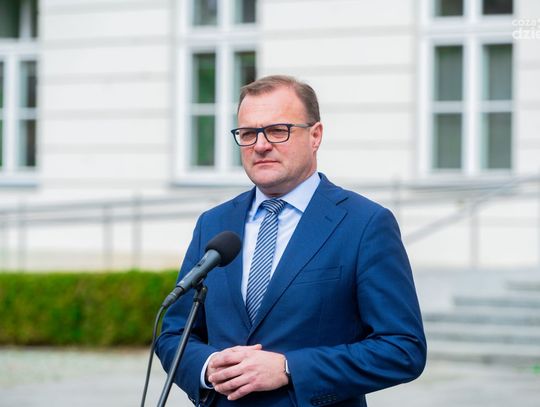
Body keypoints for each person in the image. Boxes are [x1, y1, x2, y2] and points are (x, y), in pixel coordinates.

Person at [156, 75, 426, 407]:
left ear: (315, 136)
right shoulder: (213, 224)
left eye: (277, 130)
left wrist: (289, 368)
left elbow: (402, 349)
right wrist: (208, 366)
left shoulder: (365, 224)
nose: (260, 145)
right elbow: (174, 334)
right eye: (248, 133)